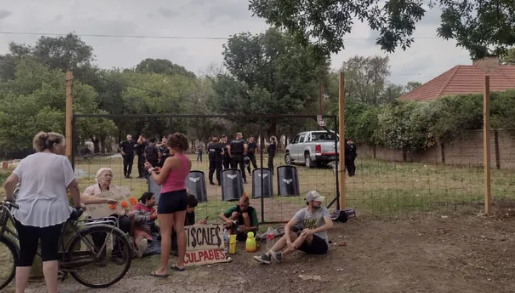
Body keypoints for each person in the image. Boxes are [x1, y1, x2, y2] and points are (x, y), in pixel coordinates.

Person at [3, 132, 83, 293]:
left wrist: (10, 199)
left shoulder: (27, 160)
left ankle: (20, 291)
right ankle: (52, 291)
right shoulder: (61, 161)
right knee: (50, 253)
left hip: (25, 212)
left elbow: (9, 182)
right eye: (63, 145)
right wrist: (77, 203)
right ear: (54, 145)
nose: (64, 149)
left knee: (25, 254)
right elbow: (73, 185)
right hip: (51, 213)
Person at [145, 132, 191, 278]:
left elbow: (159, 181)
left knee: (165, 233)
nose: (167, 148)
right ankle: (181, 263)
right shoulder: (187, 160)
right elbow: (175, 176)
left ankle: (163, 269)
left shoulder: (171, 160)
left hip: (168, 196)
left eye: (169, 145)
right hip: (182, 195)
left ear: (174, 146)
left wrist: (151, 170)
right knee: (180, 229)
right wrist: (161, 170)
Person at [254, 191, 333, 264]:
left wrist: (312, 231)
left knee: (305, 232)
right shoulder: (302, 212)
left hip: (321, 246)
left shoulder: (323, 210)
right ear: (311, 202)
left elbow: (329, 225)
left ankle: (282, 255)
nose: (320, 202)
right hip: (308, 245)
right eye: (317, 201)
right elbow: (287, 226)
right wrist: (288, 241)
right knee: (290, 234)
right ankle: (266, 256)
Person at [83, 168, 132, 265]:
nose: (109, 177)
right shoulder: (91, 189)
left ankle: (117, 253)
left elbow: (123, 203)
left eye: (110, 175)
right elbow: (84, 203)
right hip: (96, 216)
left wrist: (122, 209)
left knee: (126, 222)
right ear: (99, 177)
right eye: (106, 175)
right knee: (98, 227)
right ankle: (100, 254)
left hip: (113, 215)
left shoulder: (116, 189)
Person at [130, 192, 159, 258]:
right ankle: (137, 249)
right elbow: (136, 218)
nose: (155, 200)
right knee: (140, 237)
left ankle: (138, 250)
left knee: (147, 238)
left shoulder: (153, 209)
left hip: (147, 231)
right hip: (137, 229)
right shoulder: (137, 206)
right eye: (153, 198)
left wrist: (159, 229)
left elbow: (152, 224)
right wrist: (151, 217)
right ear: (147, 200)